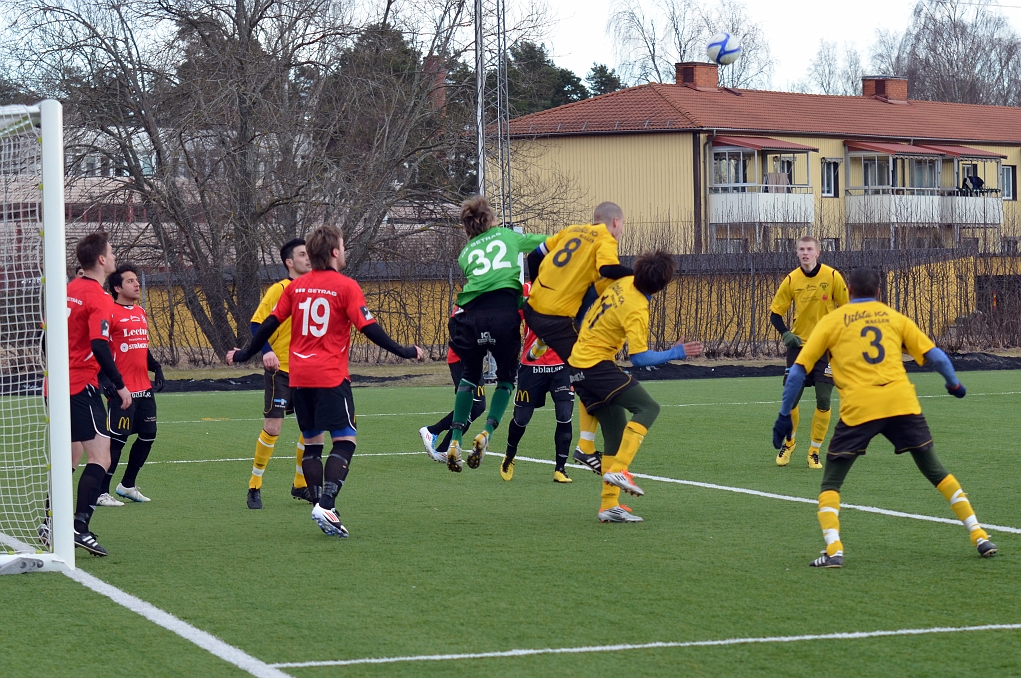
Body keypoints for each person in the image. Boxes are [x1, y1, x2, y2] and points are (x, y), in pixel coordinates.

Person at [772, 267, 997, 568]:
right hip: (901, 403)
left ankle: (834, 549)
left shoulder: (831, 322)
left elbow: (798, 371)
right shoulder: (894, 317)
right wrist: (953, 383)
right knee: (936, 471)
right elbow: (937, 357)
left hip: (859, 408)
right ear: (879, 292)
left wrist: (784, 413)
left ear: (848, 291)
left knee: (831, 484)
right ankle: (979, 535)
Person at [228, 225, 423, 538]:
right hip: (330, 375)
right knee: (345, 441)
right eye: (343, 248)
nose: (345, 252)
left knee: (313, 443)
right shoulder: (345, 286)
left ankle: (319, 503)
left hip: (300, 377)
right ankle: (327, 503)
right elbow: (368, 328)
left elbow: (267, 324)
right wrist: (404, 350)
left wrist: (243, 355)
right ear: (334, 252)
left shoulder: (296, 288)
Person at [568, 251, 702, 523]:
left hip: (576, 363)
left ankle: (609, 505)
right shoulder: (637, 306)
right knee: (648, 407)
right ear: (663, 286)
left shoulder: (623, 280)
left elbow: (591, 293)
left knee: (615, 429)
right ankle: (620, 469)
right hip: (596, 365)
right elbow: (639, 358)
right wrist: (676, 352)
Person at [523, 202, 633, 477]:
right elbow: (609, 270)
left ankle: (544, 341)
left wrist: (540, 287)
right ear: (616, 223)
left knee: (589, 289)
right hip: (557, 322)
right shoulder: (605, 238)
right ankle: (585, 446)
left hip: (533, 310)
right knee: (589, 370)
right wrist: (637, 276)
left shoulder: (570, 230)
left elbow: (533, 259)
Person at [442, 195, 549, 473]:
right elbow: (547, 242)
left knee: (469, 375)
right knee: (505, 379)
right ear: (490, 218)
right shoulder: (507, 236)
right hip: (504, 315)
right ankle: (487, 431)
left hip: (470, 317)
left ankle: (455, 439)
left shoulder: (464, 255)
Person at [65, 232, 132, 556]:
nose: (114, 256)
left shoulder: (69, 291)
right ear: (102, 260)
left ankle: (54, 520)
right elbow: (98, 345)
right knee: (101, 458)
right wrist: (119, 385)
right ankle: (79, 527)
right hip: (80, 385)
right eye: (111, 252)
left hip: (58, 383)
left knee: (71, 456)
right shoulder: (98, 297)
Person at [769, 235, 848, 469]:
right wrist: (785, 334)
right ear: (797, 253)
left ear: (818, 253)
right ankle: (790, 443)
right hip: (799, 350)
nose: (805, 253)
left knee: (823, 400)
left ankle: (814, 450)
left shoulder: (833, 276)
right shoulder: (792, 279)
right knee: (791, 400)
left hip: (825, 349)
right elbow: (775, 313)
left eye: (809, 249)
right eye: (801, 249)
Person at [246, 238, 313, 509]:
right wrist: (266, 351)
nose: (308, 258)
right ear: (289, 262)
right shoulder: (279, 289)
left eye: (309, 254)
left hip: (309, 371)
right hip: (281, 369)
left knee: (311, 429)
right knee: (273, 428)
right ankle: (254, 486)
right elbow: (255, 324)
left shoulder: (317, 289)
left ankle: (300, 485)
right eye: (301, 254)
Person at [96, 264, 165, 507]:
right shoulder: (109, 312)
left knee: (148, 435)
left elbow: (140, 347)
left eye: (137, 280)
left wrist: (155, 367)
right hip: (122, 390)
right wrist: (105, 380)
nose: (137, 284)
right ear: (117, 287)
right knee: (118, 440)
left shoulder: (140, 312)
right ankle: (101, 491)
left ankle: (127, 485)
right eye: (130, 281)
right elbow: (99, 350)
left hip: (143, 388)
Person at [500, 281, 574, 483]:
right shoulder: (528, 290)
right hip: (532, 368)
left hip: (562, 366)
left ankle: (561, 468)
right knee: (521, 419)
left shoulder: (568, 286)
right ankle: (509, 456)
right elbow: (513, 320)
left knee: (565, 415)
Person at [418, 341, 486, 464]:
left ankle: (444, 448)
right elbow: (456, 328)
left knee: (476, 406)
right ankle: (432, 431)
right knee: (475, 405)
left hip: (472, 357)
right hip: (463, 357)